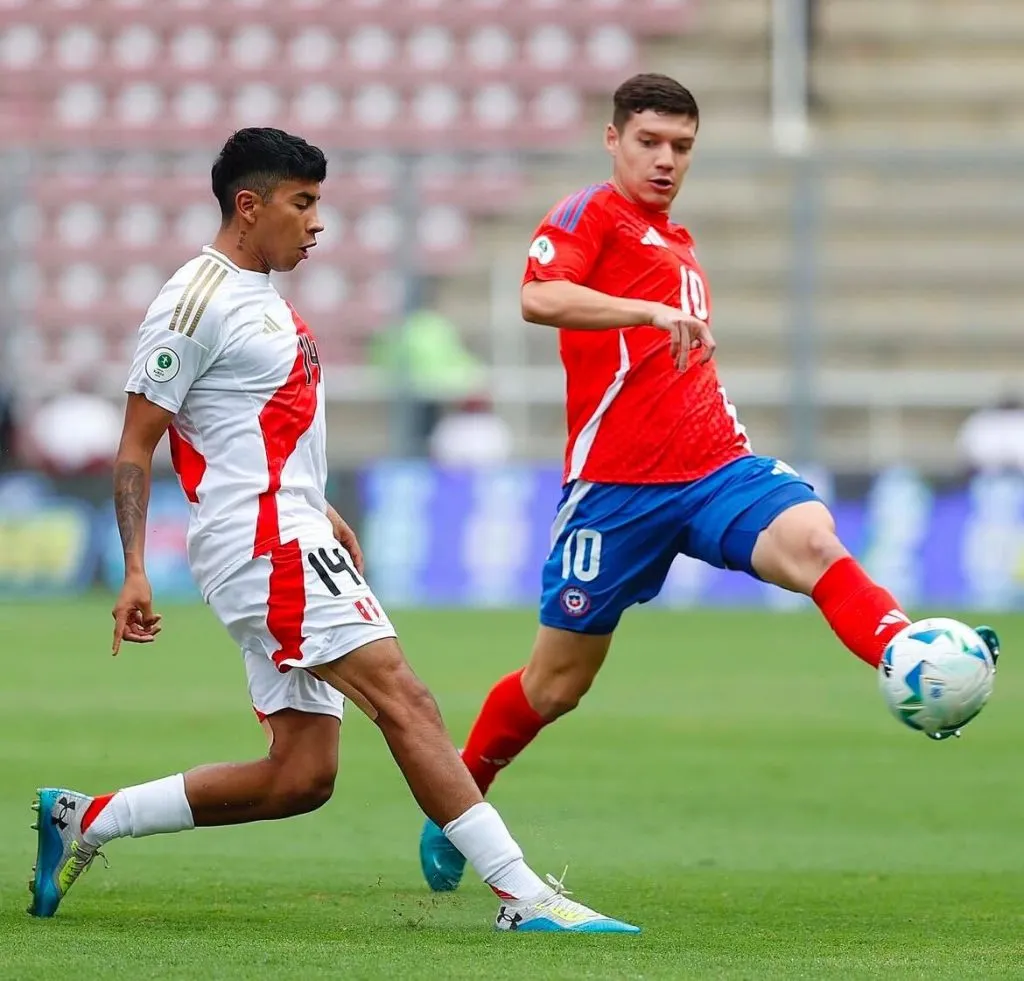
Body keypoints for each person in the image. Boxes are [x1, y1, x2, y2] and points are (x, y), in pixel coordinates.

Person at [27, 127, 636, 934]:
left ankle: (88, 817)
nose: (318, 223)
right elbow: (138, 441)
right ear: (250, 206)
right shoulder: (193, 299)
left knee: (301, 775)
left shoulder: (260, 294)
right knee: (405, 697)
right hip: (264, 544)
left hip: (290, 527)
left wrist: (319, 504)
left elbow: (252, 426)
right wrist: (135, 567)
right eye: (303, 203)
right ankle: (524, 894)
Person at [418, 74, 1002, 891]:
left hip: (715, 466)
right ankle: (461, 799)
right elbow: (538, 295)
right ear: (613, 139)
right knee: (555, 686)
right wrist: (645, 313)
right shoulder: (590, 215)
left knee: (813, 540)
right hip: (615, 492)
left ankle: (905, 650)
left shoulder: (678, 241)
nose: (665, 160)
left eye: (681, 147)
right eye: (649, 142)